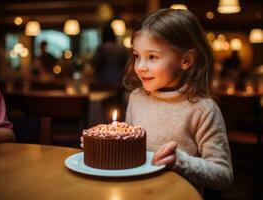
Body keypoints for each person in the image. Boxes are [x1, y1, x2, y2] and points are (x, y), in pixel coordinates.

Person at [81, 9, 233, 192]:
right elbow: (129, 151)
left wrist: (180, 161)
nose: (141, 67)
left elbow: (223, 175)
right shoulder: (136, 99)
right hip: (135, 191)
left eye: (152, 57)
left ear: (185, 60)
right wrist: (104, 147)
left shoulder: (203, 109)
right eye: (137, 56)